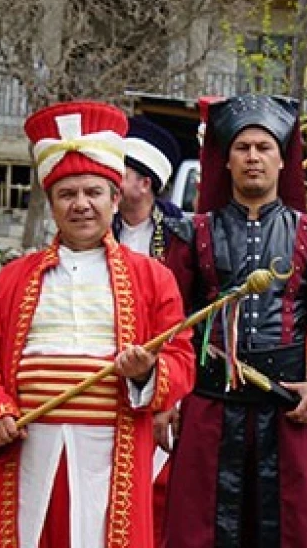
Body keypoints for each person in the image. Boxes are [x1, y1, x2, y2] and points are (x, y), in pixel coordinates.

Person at [0, 101, 195, 548]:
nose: (82, 205)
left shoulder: (152, 277)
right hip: (31, 447)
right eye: (67, 194)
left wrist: (147, 373)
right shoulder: (15, 277)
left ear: (115, 198)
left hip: (113, 449)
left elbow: (182, 356)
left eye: (93, 192)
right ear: (51, 203)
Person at [161, 95, 307, 548]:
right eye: (242, 147)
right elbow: (169, 328)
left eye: (263, 148)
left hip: (282, 412)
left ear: (283, 161)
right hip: (207, 407)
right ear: (225, 160)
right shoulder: (192, 233)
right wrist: (166, 398)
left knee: (282, 532)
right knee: (198, 532)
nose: (252, 157)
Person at [110, 114, 184, 547]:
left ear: (145, 183)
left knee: (154, 482)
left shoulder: (179, 235)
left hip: (160, 373)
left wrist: (168, 397)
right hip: (108, 369)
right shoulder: (102, 228)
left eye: (121, 174)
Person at [112, 115, 184, 258]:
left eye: (121, 175)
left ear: (145, 184)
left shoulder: (177, 232)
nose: (112, 183)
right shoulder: (103, 224)